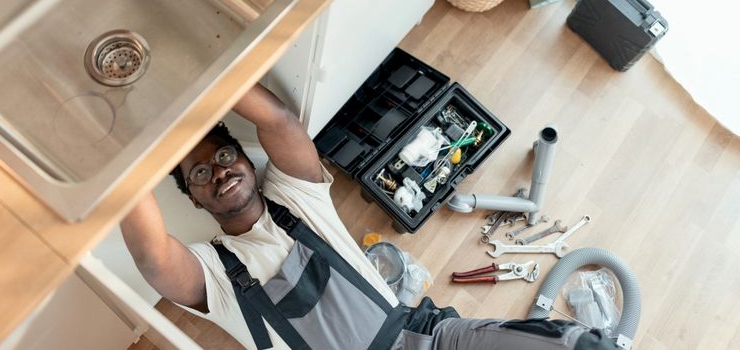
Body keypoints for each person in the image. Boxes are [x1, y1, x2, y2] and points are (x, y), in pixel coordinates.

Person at [121, 83, 618, 350]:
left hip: (422, 339)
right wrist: (126, 156)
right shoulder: (215, 273)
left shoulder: (295, 197)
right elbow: (152, 257)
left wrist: (198, 80)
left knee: (571, 346)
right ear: (194, 199)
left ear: (247, 161)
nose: (219, 171)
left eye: (225, 155)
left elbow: (279, 121)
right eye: (200, 174)